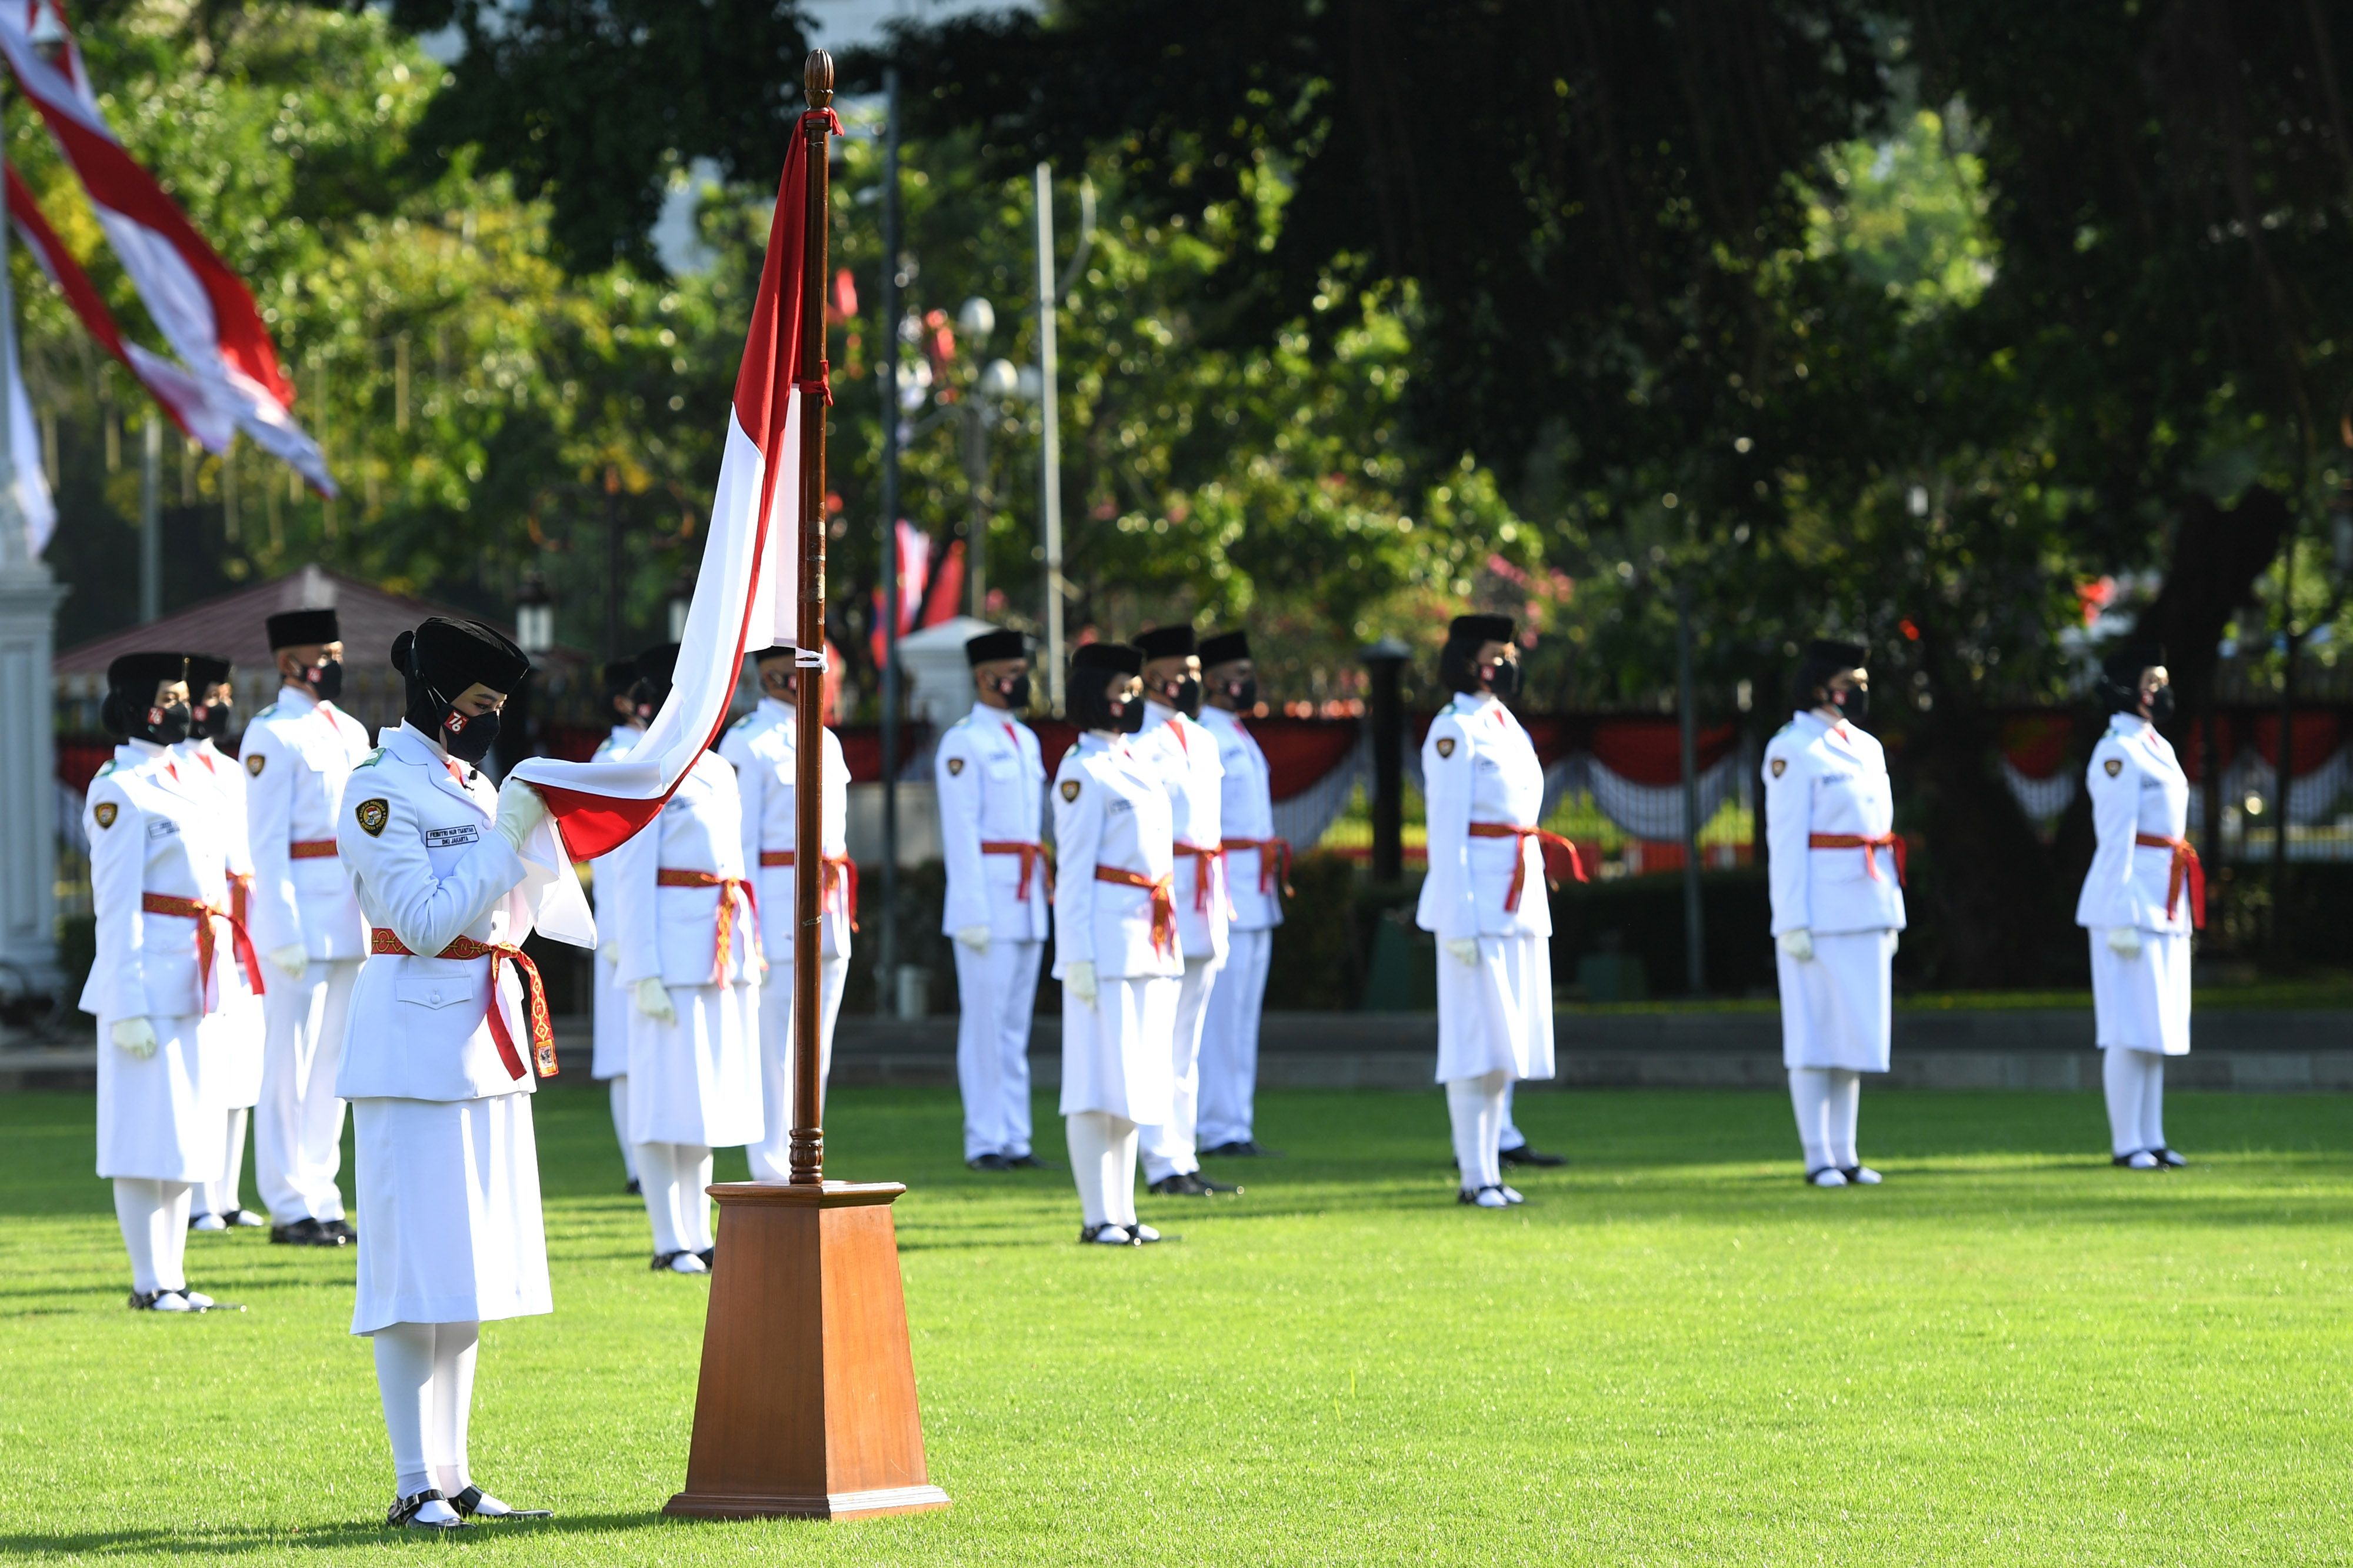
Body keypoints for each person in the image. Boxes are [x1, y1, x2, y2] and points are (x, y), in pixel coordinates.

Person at [336, 617, 557, 1529]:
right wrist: (506, 843)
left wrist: (530, 848)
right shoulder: (377, 790)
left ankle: (457, 1471)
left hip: (481, 1040)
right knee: (408, 1273)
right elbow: (424, 923)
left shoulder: (473, 782)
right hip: (410, 1045)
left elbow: (508, 915)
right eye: (478, 705)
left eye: (499, 708)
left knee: (467, 1272)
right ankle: (411, 1478)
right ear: (434, 699)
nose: (488, 722)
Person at [82, 652, 256, 1311]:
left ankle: (175, 1276)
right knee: (139, 1133)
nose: (186, 707)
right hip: (146, 980)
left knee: (190, 1128)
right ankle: (147, 1280)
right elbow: (115, 903)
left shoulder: (182, 773)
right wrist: (124, 1003)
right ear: (137, 705)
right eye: (173, 695)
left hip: (194, 971)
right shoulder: (118, 788)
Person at [611, 644, 763, 1271]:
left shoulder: (718, 770)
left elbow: (737, 864)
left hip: (717, 953)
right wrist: (640, 966)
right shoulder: (646, 766)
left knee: (702, 1101)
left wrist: (750, 951)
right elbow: (630, 874)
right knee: (657, 1101)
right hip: (667, 957)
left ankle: (697, 1231)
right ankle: (666, 1236)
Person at [1418, 615, 1575, 1208]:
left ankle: (1491, 1169)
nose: (1506, 663)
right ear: (1466, 661)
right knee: (1472, 1041)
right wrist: (1455, 916)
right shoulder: (1453, 729)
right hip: (1477, 903)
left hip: (1517, 897)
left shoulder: (1504, 724)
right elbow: (1447, 830)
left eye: (1510, 652)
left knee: (1505, 1044)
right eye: (1495, 653)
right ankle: (1473, 1172)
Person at [242, 607, 372, 1247]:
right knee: (287, 1066)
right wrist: (282, 928)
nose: (335, 661)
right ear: (289, 661)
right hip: (300, 918)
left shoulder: (349, 729)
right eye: (326, 651)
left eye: (338, 649)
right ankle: (288, 1201)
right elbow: (266, 846)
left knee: (335, 1068)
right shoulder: (273, 734)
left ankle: (323, 1192)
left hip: (349, 914)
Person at [1762, 638, 1904, 1188]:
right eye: (1851, 681)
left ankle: (1845, 1153)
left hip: (1866, 902)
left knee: (1853, 1035)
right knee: (1813, 1035)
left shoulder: (1866, 747)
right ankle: (1817, 1155)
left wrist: (1891, 910)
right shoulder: (1792, 747)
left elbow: (1881, 836)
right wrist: (1791, 919)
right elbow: (1787, 841)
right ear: (1822, 686)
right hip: (1818, 911)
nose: (1859, 692)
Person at [1052, 642, 1182, 1245]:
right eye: (1119, 693)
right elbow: (1074, 873)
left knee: (1132, 1082)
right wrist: (1073, 954)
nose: (1130, 702)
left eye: (1134, 692)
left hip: (1147, 939)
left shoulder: (1136, 761)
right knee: (1092, 1081)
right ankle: (1095, 1214)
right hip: (1102, 945)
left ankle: (1124, 1211)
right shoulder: (1083, 770)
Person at [720, 643, 854, 1180]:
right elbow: (740, 844)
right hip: (776, 900)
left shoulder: (826, 740)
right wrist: (745, 928)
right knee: (775, 1042)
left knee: (817, 1043)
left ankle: (809, 1151)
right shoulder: (748, 743)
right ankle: (774, 1163)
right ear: (774, 674)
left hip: (829, 898)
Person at [2077, 645, 2198, 1170]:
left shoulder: (2155, 745)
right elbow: (2115, 837)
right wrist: (2119, 909)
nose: (2160, 692)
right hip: (2129, 900)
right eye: (2152, 682)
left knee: (2156, 1026)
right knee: (2129, 1027)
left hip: (2165, 896)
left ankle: (2152, 1135)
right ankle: (2127, 1142)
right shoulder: (2117, 750)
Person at [936, 628, 1049, 1171]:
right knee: (984, 1025)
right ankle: (985, 1138)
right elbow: (961, 833)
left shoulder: (1023, 740)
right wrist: (973, 910)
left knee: (1013, 1028)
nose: (1023, 680)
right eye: (1014, 670)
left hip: (1026, 898)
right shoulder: (964, 741)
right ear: (985, 678)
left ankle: (1016, 1137)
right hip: (988, 900)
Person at [1131, 624, 1235, 1197]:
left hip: (1205, 895)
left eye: (1196, 672)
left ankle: (1183, 1151)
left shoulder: (1200, 737)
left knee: (1187, 1040)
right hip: (1167, 897)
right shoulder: (1140, 740)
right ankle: (1160, 1156)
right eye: (1183, 672)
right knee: (1160, 1034)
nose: (1192, 682)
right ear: (1153, 677)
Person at [176, 653, 266, 1230]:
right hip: (203, 932)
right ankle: (199, 1198)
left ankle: (228, 1194)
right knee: (205, 1071)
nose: (224, 706)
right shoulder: (175, 770)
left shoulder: (232, 770)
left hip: (243, 931)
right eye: (215, 695)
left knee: (241, 1071)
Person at [1197, 630, 1284, 1160]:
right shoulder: (1204, 733)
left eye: (1246, 673)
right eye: (1235, 674)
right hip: (1225, 885)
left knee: (1243, 1018)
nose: (1243, 684)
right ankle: (1215, 1125)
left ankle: (1236, 1121)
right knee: (1219, 1018)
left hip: (1256, 885)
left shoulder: (1236, 733)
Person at [586, 659, 644, 1195]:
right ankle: (635, 1163)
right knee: (625, 1053)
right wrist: (616, 930)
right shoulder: (616, 758)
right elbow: (608, 856)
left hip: (651, 923)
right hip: (622, 926)